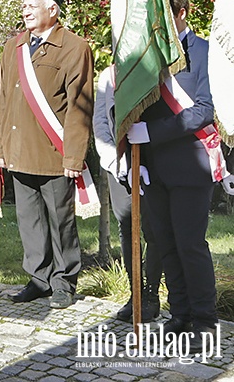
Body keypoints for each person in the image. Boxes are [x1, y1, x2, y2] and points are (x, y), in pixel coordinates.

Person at [0, 0, 94, 309]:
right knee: (29, 220)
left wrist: (74, 156)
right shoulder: (12, 47)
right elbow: (4, 101)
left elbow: (80, 106)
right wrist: (1, 147)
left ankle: (64, 281)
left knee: (60, 220)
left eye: (32, 5)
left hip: (53, 152)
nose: (25, 10)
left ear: (53, 9)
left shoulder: (75, 48)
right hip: (19, 151)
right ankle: (38, 278)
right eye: (23, 6)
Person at [126, 0, 218, 335]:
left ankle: (205, 320)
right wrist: (140, 156)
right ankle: (179, 314)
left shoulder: (205, 52)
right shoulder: (149, 55)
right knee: (165, 243)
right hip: (153, 167)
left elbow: (205, 110)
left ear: (180, 14)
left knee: (190, 244)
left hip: (191, 164)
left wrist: (153, 133)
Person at [93, 65, 162, 322]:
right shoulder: (108, 76)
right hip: (119, 163)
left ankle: (151, 294)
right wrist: (116, 162)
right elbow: (101, 121)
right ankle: (135, 295)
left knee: (154, 230)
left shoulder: (154, 66)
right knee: (127, 226)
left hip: (153, 163)